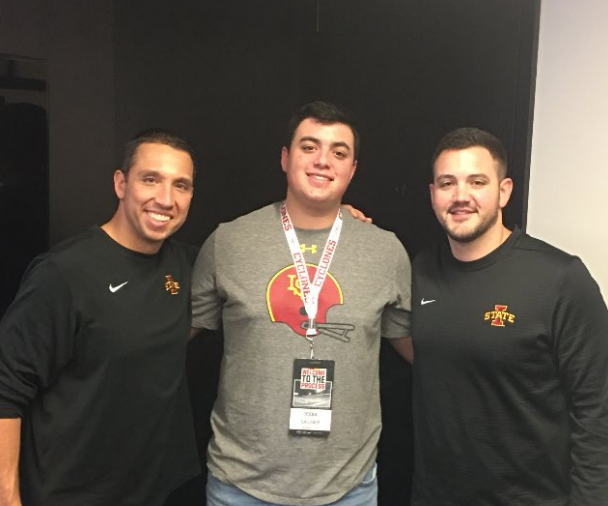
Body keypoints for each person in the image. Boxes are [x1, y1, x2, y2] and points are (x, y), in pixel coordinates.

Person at [191, 101, 413, 506]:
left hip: (348, 488)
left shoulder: (386, 251)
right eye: (309, 147)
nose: (323, 161)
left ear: (353, 169)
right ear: (285, 157)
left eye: (339, 152)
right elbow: (173, 338)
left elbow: (415, 347)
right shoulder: (228, 242)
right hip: (240, 485)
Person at [0, 129, 201, 506]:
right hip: (73, 493)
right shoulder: (64, 273)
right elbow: (5, 389)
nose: (165, 199)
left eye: (181, 185)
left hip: (159, 489)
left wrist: (336, 216)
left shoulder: (188, 265)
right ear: (121, 183)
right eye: (151, 179)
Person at [411, 127, 608, 505]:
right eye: (447, 183)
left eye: (477, 181)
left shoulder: (560, 279)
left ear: (504, 191)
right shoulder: (421, 270)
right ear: (433, 194)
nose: (460, 196)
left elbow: (595, 412)